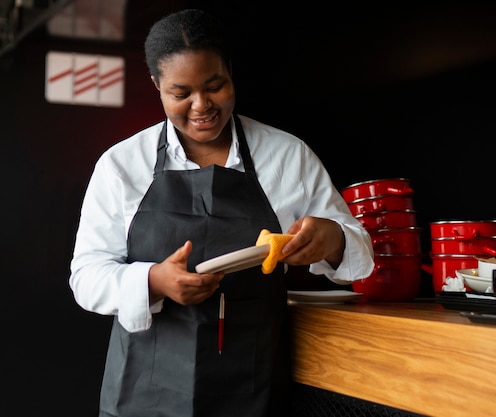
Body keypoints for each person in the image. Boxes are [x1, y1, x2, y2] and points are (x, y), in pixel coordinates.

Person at [69, 8, 375, 417]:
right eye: (181, 94)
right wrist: (154, 280)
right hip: (144, 394)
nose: (201, 106)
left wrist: (332, 239)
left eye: (216, 86)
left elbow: (362, 259)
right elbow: (86, 277)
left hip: (251, 389)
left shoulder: (287, 155)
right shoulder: (122, 165)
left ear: (231, 72)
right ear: (157, 86)